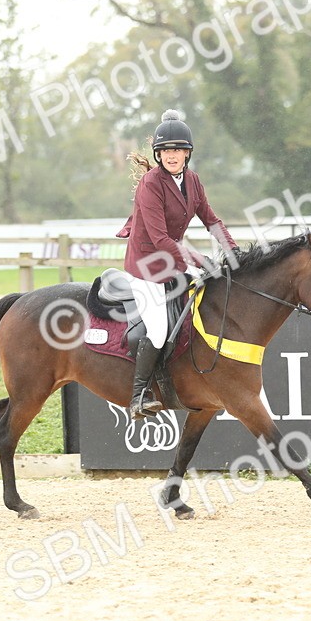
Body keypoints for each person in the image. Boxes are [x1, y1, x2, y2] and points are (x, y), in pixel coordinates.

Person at [116, 109, 238, 419]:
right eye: (166, 150)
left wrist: (234, 251)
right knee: (158, 330)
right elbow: (160, 239)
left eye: (178, 150)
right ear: (158, 154)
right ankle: (139, 396)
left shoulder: (193, 181)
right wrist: (201, 260)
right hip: (146, 267)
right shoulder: (150, 184)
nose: (172, 155)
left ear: (187, 153)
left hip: (173, 262)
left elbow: (211, 220)